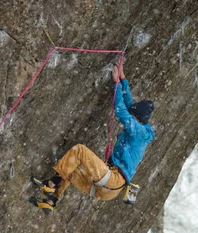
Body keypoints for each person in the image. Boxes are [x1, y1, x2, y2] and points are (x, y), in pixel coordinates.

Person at [31, 61, 155, 213]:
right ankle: (51, 200)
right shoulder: (140, 126)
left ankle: (51, 184)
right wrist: (122, 79)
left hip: (113, 179)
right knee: (71, 168)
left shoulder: (139, 132)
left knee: (79, 151)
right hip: (107, 190)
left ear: (137, 119)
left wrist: (116, 85)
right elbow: (129, 106)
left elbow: (122, 111)